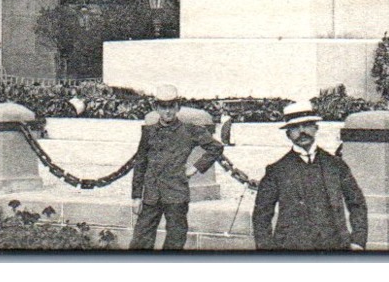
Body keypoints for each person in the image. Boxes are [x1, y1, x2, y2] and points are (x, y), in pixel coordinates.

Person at [252, 100, 369, 251]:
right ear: (288, 134)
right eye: (295, 127)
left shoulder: (336, 165)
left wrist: (358, 241)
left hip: (336, 245)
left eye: (307, 125)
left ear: (316, 128)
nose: (302, 131)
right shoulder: (276, 170)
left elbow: (357, 203)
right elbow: (261, 215)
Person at [128, 83, 224, 251]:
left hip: (176, 194)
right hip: (152, 195)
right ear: (156, 107)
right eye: (163, 107)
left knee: (175, 240)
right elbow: (140, 164)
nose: (168, 111)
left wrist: (195, 168)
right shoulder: (149, 132)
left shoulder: (189, 130)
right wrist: (136, 196)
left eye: (171, 106)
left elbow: (216, 147)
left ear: (178, 106)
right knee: (140, 241)